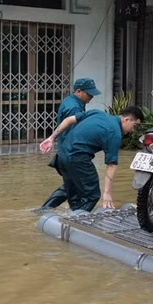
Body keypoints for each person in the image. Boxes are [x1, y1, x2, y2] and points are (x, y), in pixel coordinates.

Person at [39, 107, 144, 211]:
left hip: (62, 154)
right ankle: (75, 220)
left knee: (72, 187)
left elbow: (68, 120)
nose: (132, 130)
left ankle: (42, 210)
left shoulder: (97, 112)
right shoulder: (115, 133)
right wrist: (107, 193)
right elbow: (111, 165)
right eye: (134, 126)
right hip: (77, 159)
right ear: (126, 120)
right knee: (92, 195)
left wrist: (52, 138)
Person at [40, 78, 101, 208]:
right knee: (86, 190)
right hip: (72, 153)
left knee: (70, 186)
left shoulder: (70, 101)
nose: (91, 97)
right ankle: (76, 217)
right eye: (89, 94)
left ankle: (45, 210)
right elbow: (76, 134)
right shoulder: (74, 108)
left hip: (64, 152)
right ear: (78, 91)